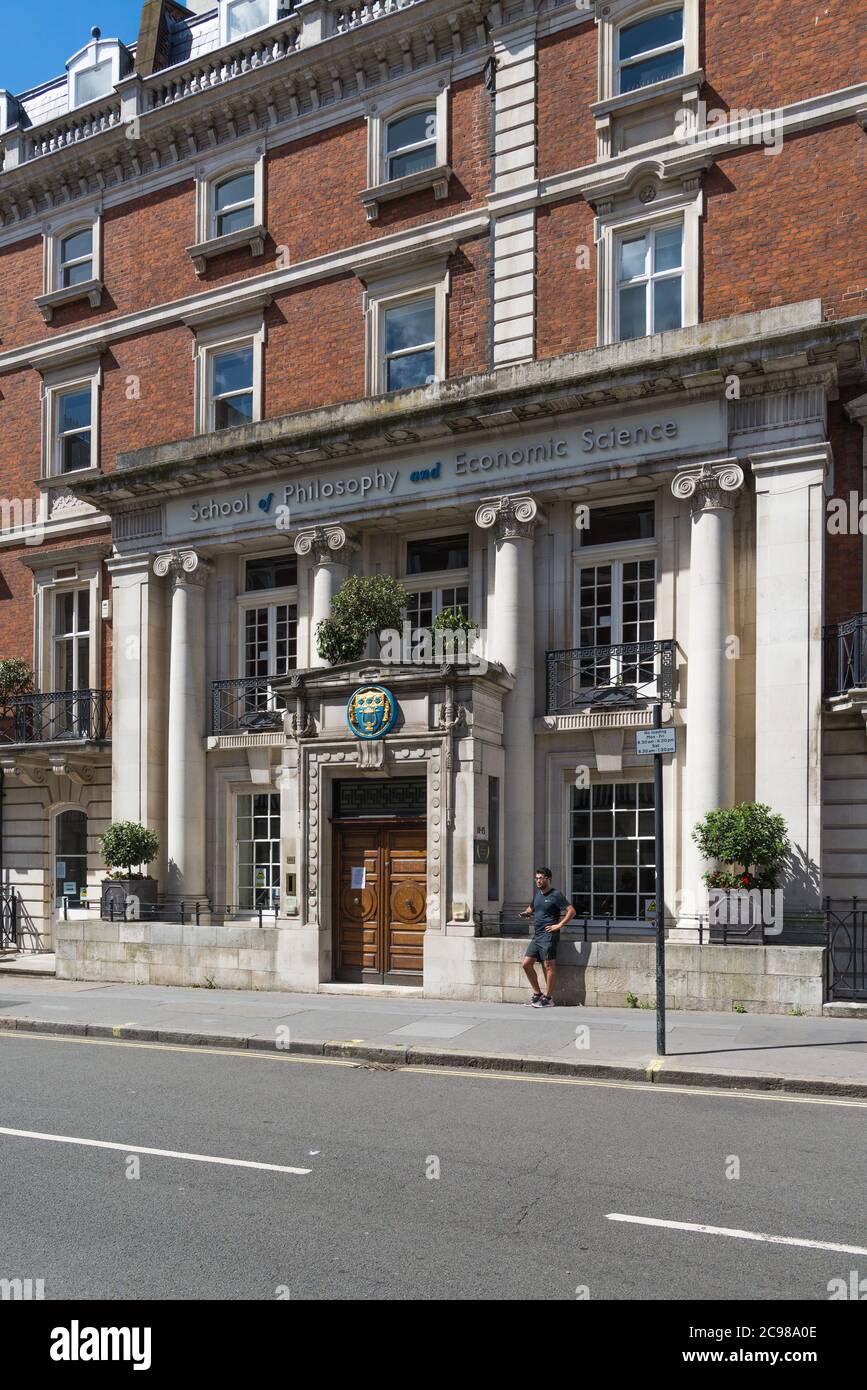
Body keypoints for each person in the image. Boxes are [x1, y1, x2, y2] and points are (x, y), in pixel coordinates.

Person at [520, 867, 576, 1007]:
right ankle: (537, 993)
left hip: (549, 935)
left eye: (540, 878)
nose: (538, 881)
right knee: (526, 964)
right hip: (537, 935)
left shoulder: (556, 895)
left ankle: (549, 998)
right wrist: (526, 913)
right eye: (536, 878)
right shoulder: (538, 895)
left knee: (548, 965)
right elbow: (531, 908)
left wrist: (559, 925)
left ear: (548, 879)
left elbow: (571, 911)